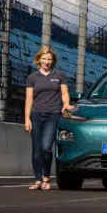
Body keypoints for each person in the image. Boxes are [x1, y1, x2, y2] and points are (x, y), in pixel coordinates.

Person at [24, 47, 75, 191]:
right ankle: (38, 180)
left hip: (53, 115)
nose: (46, 62)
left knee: (46, 148)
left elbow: (64, 93)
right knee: (36, 149)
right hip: (36, 115)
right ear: (39, 60)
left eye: (49, 59)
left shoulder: (59, 75)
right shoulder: (32, 77)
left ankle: (46, 176)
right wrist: (27, 119)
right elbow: (29, 100)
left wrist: (66, 104)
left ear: (53, 61)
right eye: (44, 59)